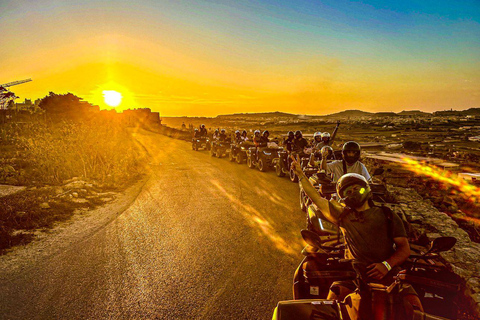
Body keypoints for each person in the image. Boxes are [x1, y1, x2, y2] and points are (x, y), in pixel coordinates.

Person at [291, 164, 423, 311]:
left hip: (390, 274)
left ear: (367, 189)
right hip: (356, 275)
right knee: (329, 307)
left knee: (414, 305)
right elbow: (316, 198)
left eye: (357, 189)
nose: (353, 193)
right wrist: (300, 175)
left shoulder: (388, 215)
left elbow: (404, 248)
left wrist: (386, 265)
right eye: (348, 191)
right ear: (344, 198)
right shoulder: (343, 216)